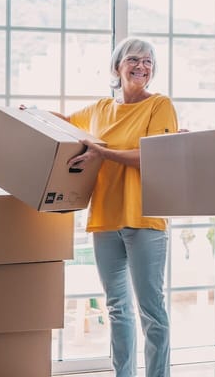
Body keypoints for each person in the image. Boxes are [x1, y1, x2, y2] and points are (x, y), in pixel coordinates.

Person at [63, 38, 177, 377]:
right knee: (117, 309)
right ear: (117, 67)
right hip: (105, 218)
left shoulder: (159, 105)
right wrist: (31, 115)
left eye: (148, 61)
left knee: (151, 311)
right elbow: (65, 123)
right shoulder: (100, 109)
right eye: (133, 59)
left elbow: (152, 157)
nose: (141, 66)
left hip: (145, 218)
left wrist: (103, 153)